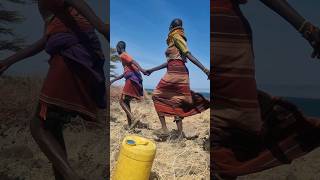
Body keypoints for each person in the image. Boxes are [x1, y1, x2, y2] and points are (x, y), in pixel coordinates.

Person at [0, 0, 108, 179]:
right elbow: (45, 40)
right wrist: (9, 61)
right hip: (80, 58)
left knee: (38, 126)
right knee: (52, 127)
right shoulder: (51, 13)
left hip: (70, 58)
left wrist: (101, 26)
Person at [211, 0, 320, 179]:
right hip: (225, 28)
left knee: (222, 126)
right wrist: (307, 29)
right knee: (232, 127)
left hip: (218, 27)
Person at [146, 18, 210, 140]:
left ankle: (165, 129)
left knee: (157, 95)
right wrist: (152, 70)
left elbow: (188, 54)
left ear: (171, 27)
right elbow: (171, 61)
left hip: (177, 72)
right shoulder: (174, 40)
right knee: (178, 100)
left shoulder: (176, 36)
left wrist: (205, 70)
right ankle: (179, 135)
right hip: (175, 70)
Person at [110, 41, 148, 129]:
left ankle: (133, 119)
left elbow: (133, 61)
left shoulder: (123, 55)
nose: (116, 50)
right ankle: (131, 125)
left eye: (117, 48)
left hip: (132, 79)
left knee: (122, 101)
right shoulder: (125, 58)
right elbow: (126, 72)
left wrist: (142, 70)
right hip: (134, 79)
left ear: (119, 47)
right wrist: (114, 80)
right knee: (126, 102)